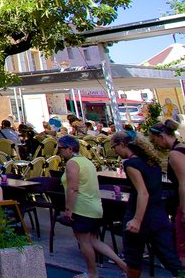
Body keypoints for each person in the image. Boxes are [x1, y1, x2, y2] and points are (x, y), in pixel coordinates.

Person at [110, 130, 184, 278]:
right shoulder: (152, 162)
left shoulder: (131, 164)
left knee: (133, 257)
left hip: (140, 214)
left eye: (114, 147)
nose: (115, 151)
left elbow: (143, 193)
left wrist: (137, 219)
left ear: (122, 144)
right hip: (159, 215)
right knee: (169, 256)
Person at [58, 135, 126, 278]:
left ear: (70, 149)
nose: (59, 152)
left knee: (84, 241)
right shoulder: (87, 162)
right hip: (94, 206)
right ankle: (122, 265)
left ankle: (92, 273)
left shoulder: (72, 163)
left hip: (81, 207)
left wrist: (68, 211)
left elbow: (72, 188)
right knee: (93, 240)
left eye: (61, 149)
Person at [149, 119, 185, 267]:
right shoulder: (182, 148)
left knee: (182, 248)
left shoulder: (175, 154)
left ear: (161, 137)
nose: (156, 144)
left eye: (154, 140)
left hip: (182, 202)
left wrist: (183, 210)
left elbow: (183, 182)